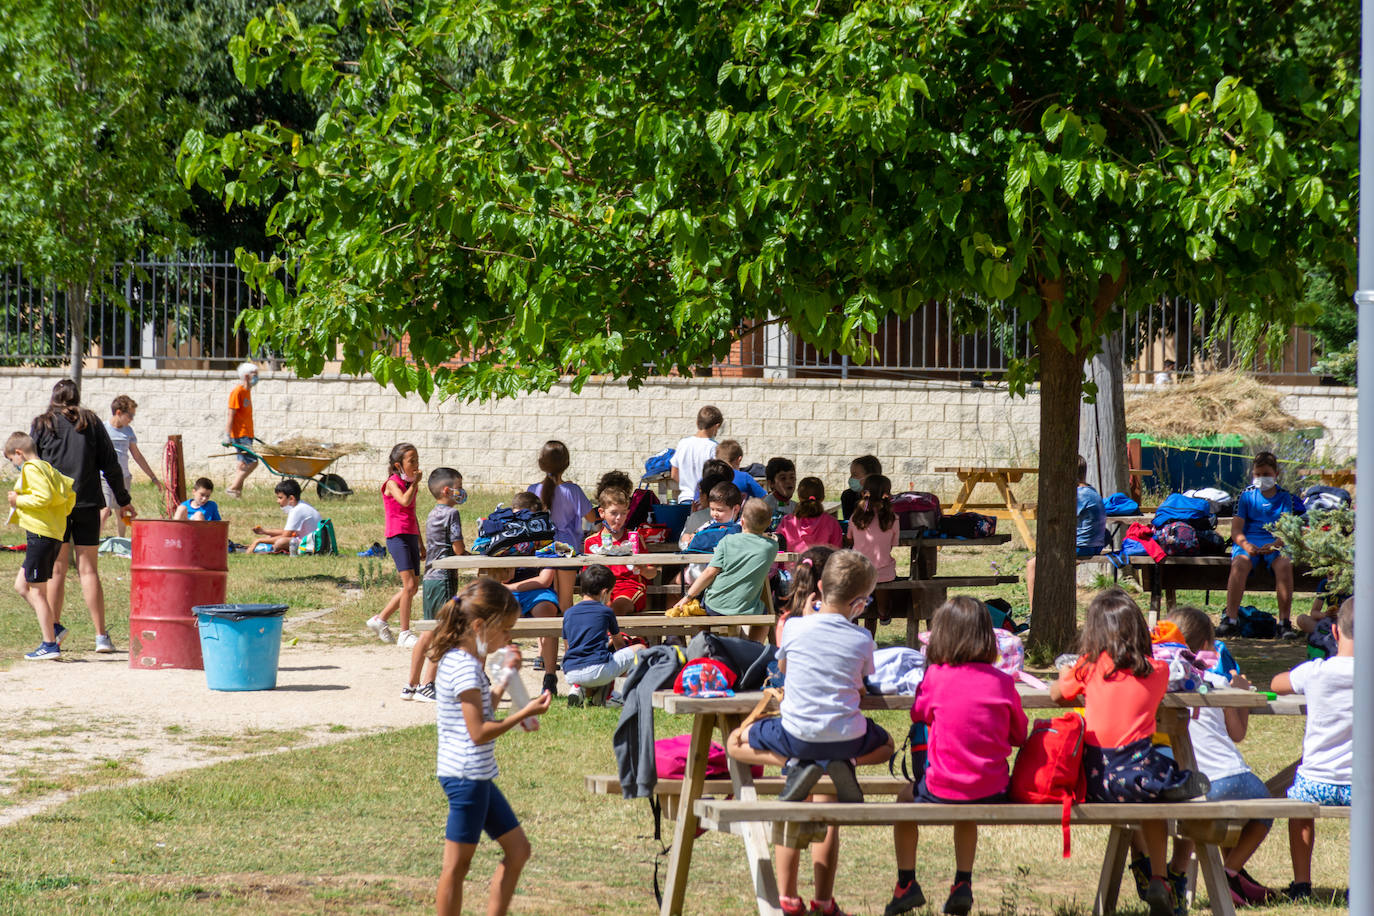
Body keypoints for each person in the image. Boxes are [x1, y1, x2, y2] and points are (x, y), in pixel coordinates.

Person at [726, 550, 893, 916]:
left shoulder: (797, 626)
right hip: (845, 739)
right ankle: (824, 900)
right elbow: (863, 685)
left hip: (796, 736)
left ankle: (787, 898)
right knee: (884, 750)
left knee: (734, 743)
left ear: (819, 586)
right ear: (861, 602)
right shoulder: (863, 638)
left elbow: (783, 665)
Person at [1050, 588, 1209, 916]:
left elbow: (1057, 693)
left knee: (1144, 798)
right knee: (1154, 796)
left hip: (1096, 781)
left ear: (1093, 631)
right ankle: (1160, 877)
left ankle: (1143, 864)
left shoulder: (1088, 668)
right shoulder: (1157, 672)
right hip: (1139, 776)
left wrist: (1068, 673)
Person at [889, 596, 1029, 916]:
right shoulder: (1003, 681)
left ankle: (906, 882)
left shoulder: (936, 678)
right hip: (992, 788)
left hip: (941, 786)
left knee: (903, 799)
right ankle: (963, 882)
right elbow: (1019, 736)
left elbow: (918, 714)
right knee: (968, 809)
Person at [430, 578, 552, 916]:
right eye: (506, 629)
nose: (508, 638)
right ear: (481, 626)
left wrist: (502, 681)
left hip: (476, 776)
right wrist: (524, 713)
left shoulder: (463, 661)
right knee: (456, 868)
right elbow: (480, 732)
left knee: (518, 851)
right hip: (466, 777)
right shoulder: (465, 667)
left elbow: (481, 711)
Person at [1142, 607, 1274, 907]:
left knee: (1190, 821)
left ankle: (1179, 873)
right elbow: (1237, 733)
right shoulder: (1218, 684)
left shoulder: (1160, 685)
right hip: (1229, 777)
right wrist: (1240, 695)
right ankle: (1230, 873)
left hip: (1187, 786)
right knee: (1266, 809)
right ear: (1204, 647)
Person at [31, 379, 134, 654]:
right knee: (88, 570)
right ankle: (101, 636)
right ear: (77, 396)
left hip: (56, 507)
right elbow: (110, 463)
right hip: (88, 502)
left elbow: (33, 465)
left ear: (54, 397)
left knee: (57, 569)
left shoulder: (42, 424)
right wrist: (123, 500)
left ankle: (53, 631)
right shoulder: (90, 421)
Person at [1271, 596, 1353, 902]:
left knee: (1299, 807)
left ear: (1333, 632)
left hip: (1315, 782)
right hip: (1362, 787)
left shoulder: (1316, 671)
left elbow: (1278, 683)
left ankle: (1302, 883)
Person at [5, 432, 76, 661]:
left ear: (19, 453)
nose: (13, 466)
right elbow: (69, 495)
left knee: (37, 590)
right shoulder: (49, 468)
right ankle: (53, 630)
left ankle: (49, 644)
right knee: (21, 586)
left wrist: (18, 501)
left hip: (40, 534)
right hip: (52, 533)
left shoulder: (31, 469)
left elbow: (43, 497)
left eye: (11, 460)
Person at [1219, 452, 1304, 639]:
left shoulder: (1285, 498)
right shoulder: (1246, 495)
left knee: (1284, 566)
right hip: (1249, 542)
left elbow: (1287, 531)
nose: (1261, 479)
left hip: (1276, 544)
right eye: (1257, 474)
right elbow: (1236, 530)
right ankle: (1230, 620)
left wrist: (1275, 545)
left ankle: (1283, 623)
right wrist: (1246, 545)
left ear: (1276, 474)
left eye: (1265, 474)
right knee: (1239, 564)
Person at [402, 468, 469, 703]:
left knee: (428, 632)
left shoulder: (431, 514)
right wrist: (467, 554)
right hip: (444, 579)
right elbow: (457, 547)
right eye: (459, 486)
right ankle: (428, 684)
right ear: (447, 490)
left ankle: (411, 684)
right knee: (444, 633)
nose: (462, 491)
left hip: (430, 578)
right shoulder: (452, 514)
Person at [673, 498, 777, 638]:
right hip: (746, 608)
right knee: (765, 616)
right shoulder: (771, 547)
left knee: (703, 613)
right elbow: (769, 538)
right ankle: (752, 648)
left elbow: (710, 573)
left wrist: (687, 598)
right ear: (769, 523)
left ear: (742, 521)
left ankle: (704, 643)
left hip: (714, 605)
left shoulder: (728, 541)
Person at [1026, 455, 1107, 610]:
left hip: (1082, 547)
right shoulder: (1092, 491)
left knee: (1032, 565)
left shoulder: (1079, 495)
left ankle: (1034, 612)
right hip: (1094, 544)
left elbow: (1056, 517)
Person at [366, 443, 425, 647]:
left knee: (413, 587)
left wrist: (421, 543)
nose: (416, 465)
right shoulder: (392, 483)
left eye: (417, 460)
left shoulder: (410, 485)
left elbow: (413, 513)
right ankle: (404, 633)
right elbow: (404, 502)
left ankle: (380, 620)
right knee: (408, 585)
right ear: (399, 465)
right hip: (397, 536)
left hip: (410, 536)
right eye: (412, 461)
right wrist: (415, 484)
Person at [528, 440, 597, 609]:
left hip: (543, 547)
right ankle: (568, 636)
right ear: (566, 463)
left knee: (545, 599)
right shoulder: (572, 490)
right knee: (566, 600)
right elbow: (591, 518)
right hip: (567, 546)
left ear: (541, 463)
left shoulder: (532, 489)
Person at [560, 565, 642, 707]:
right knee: (639, 649)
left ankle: (578, 689)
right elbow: (619, 645)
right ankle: (617, 697)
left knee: (588, 663)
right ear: (604, 592)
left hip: (570, 671)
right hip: (597, 671)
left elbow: (569, 647)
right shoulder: (606, 611)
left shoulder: (568, 613)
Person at [507, 492, 562, 693]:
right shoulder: (506, 536)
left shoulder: (546, 539)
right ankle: (504, 677)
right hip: (512, 592)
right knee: (498, 613)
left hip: (537, 591)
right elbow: (500, 576)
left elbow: (544, 580)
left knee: (547, 611)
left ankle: (550, 676)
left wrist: (509, 587)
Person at [583, 486, 658, 614]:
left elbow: (652, 572)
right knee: (586, 610)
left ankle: (616, 635)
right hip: (601, 589)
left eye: (623, 513)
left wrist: (643, 569)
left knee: (615, 608)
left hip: (629, 587)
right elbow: (587, 577)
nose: (619, 518)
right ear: (601, 512)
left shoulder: (634, 538)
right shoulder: (592, 542)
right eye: (614, 513)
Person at [100, 395, 160, 536]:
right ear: (119, 412)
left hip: (123, 477)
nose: (132, 419)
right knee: (105, 510)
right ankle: (93, 545)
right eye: (130, 415)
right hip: (105, 477)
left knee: (122, 510)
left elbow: (137, 455)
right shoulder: (102, 429)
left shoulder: (128, 431)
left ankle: (121, 540)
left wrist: (153, 477)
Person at [846, 474, 900, 623]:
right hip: (883, 571)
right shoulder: (893, 518)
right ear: (887, 494)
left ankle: (857, 613)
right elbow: (894, 544)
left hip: (859, 571)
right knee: (883, 579)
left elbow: (849, 539)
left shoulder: (855, 517)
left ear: (864, 493)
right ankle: (883, 611)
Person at [248, 479, 322, 555]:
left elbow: (284, 536)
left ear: (291, 498)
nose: (278, 501)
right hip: (315, 542)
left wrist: (258, 540)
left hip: (311, 545)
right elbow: (288, 532)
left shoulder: (296, 511)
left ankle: (266, 550)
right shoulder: (302, 505)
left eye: (280, 498)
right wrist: (265, 532)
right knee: (271, 538)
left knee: (280, 542)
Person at [670, 405, 722, 504]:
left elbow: (674, 473)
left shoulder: (683, 443)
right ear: (716, 426)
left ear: (697, 422)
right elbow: (717, 476)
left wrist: (688, 486)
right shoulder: (714, 447)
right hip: (704, 501)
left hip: (685, 498)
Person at [777, 478, 843, 554]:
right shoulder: (832, 522)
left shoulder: (787, 522)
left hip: (793, 565)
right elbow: (837, 552)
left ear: (799, 496)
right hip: (824, 565)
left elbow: (778, 548)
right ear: (823, 498)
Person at [223, 362, 259, 498]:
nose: (257, 377)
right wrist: (227, 435)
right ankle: (232, 488)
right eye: (254, 374)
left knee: (242, 464)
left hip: (247, 434)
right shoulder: (237, 392)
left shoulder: (247, 392)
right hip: (240, 434)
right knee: (253, 461)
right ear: (246, 376)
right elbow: (231, 414)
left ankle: (237, 493)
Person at [841, 455, 882, 520]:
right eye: (851, 474)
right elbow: (849, 521)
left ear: (870, 477)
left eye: (855, 475)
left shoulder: (883, 496)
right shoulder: (848, 495)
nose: (851, 478)